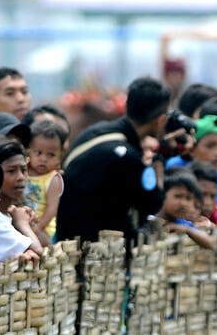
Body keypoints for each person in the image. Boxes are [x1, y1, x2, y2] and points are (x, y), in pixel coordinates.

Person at [56, 77, 175, 244]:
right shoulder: (129, 158)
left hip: (67, 239)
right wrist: (158, 167)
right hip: (96, 252)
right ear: (161, 120)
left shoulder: (96, 132)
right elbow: (152, 203)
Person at [24, 120, 67, 247]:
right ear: (29, 151)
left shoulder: (53, 179)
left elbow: (52, 208)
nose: (43, 159)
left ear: (60, 156)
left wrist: (39, 227)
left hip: (44, 227)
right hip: (24, 221)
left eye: (51, 155)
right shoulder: (23, 168)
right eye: (38, 153)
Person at [152, 170, 215, 250]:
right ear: (162, 195)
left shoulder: (183, 223)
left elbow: (211, 243)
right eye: (178, 196)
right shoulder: (151, 221)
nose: (183, 203)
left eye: (188, 198)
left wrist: (187, 230)